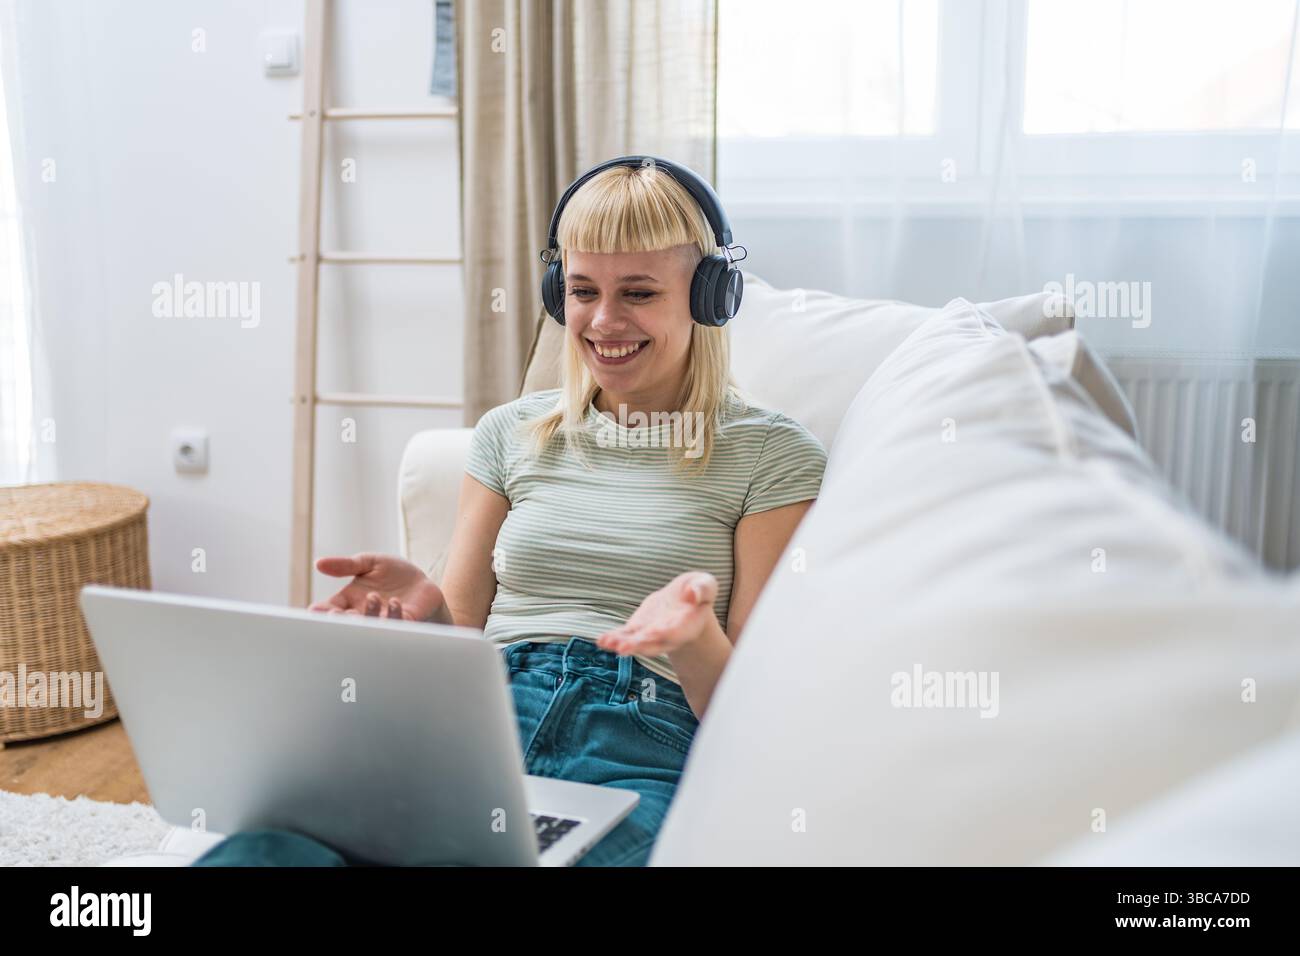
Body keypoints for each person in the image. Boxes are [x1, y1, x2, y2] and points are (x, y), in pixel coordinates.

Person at [194, 156, 827, 867]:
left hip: (641, 737)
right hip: (481, 721)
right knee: (266, 849)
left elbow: (749, 712)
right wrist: (424, 612)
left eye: (640, 293)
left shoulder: (772, 455)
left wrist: (691, 640)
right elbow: (459, 640)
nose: (604, 321)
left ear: (709, 297)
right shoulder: (510, 433)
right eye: (583, 290)